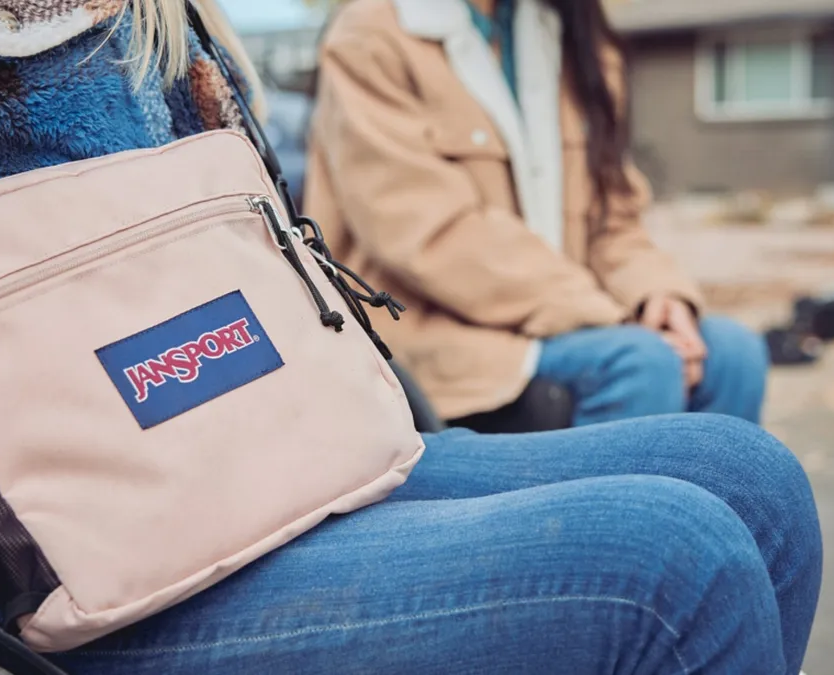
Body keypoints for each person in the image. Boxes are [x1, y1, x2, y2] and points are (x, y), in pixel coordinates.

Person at [0, 1, 820, 673]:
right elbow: (423, 237)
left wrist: (650, 293)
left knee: (751, 476)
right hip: (22, 541)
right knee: (675, 564)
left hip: (263, 430)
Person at [305, 0, 770, 429]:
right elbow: (432, 237)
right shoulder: (372, 36)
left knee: (734, 355)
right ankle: (623, 519)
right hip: (441, 333)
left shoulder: (572, 36)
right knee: (640, 362)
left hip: (566, 316)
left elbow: (614, 220)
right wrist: (607, 316)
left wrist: (658, 298)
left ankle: (693, 519)